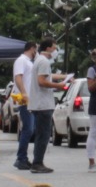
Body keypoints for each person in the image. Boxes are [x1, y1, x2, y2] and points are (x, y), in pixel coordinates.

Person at [28, 38, 66, 174]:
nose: (56, 51)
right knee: (43, 135)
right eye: (55, 48)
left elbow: (46, 77)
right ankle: (37, 163)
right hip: (43, 105)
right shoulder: (44, 61)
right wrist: (59, 85)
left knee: (41, 134)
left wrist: (62, 77)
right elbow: (42, 81)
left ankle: (37, 162)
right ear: (49, 48)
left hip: (40, 104)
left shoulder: (39, 61)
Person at [12, 41, 38, 170]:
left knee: (30, 129)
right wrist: (24, 93)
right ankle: (21, 158)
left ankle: (22, 158)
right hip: (25, 99)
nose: (36, 52)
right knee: (28, 129)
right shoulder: (21, 60)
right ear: (32, 48)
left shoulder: (29, 62)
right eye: (35, 49)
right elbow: (18, 77)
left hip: (30, 100)